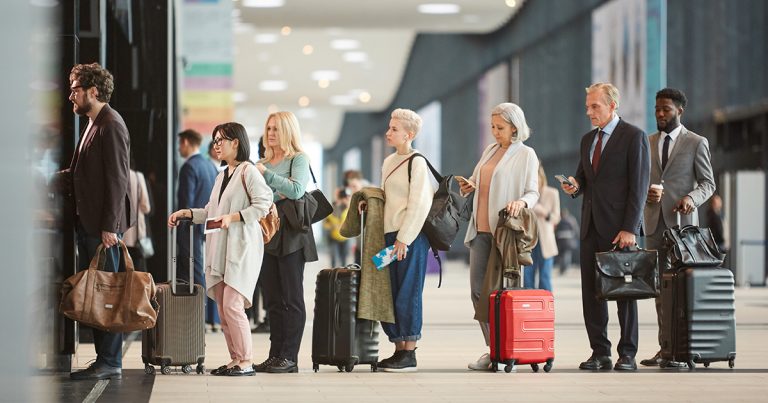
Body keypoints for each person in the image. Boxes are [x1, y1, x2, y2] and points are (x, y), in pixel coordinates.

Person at [168, 122, 273, 376]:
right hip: (222, 248)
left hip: (242, 247)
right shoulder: (221, 175)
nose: (215, 146)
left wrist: (234, 217)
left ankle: (246, 361)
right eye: (214, 141)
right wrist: (188, 213)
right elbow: (212, 212)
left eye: (220, 141)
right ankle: (235, 359)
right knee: (225, 308)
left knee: (233, 305)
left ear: (235, 142)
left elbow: (264, 202)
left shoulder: (248, 171)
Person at [561, 82, 650, 372]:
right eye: (587, 107)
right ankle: (600, 352)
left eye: (595, 106)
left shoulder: (633, 137)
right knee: (592, 293)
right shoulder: (587, 140)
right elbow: (584, 180)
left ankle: (628, 354)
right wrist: (573, 187)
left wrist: (629, 228)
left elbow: (638, 188)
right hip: (590, 227)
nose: (589, 112)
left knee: (624, 293)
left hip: (619, 230)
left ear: (612, 105)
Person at [56, 63, 134, 380]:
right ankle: (106, 358)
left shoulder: (110, 124)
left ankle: (111, 361)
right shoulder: (94, 122)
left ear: (93, 91)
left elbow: (117, 179)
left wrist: (109, 227)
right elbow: (80, 174)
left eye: (75, 88)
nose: (70, 95)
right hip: (91, 223)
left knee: (107, 293)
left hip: (102, 228)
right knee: (99, 292)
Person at [458, 102, 540, 371]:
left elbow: (533, 192)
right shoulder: (490, 150)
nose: (495, 132)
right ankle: (494, 349)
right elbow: (479, 179)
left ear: (515, 127)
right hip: (480, 230)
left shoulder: (526, 155)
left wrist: (521, 203)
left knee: (506, 293)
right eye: (492, 127)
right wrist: (469, 185)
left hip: (505, 233)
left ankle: (509, 350)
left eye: (500, 128)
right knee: (478, 293)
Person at [640, 88, 716, 367]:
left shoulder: (696, 142)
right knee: (660, 290)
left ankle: (684, 349)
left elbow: (708, 183)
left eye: (666, 109)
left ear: (679, 111)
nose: (660, 114)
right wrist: (646, 193)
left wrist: (690, 199)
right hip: (654, 225)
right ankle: (666, 348)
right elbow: (639, 181)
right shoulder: (646, 142)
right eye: (657, 109)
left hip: (683, 229)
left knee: (683, 290)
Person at [253, 111, 319, 374]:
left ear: (288, 132)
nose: (270, 133)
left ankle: (289, 356)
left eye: (276, 129)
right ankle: (275, 354)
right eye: (268, 128)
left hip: (291, 235)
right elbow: (260, 198)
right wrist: (273, 186)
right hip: (268, 234)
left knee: (291, 297)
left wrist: (268, 177)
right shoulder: (262, 161)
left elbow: (296, 190)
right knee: (272, 298)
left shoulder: (298, 158)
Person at [374, 108, 434, 372]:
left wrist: (404, 238)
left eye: (394, 129)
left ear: (409, 134)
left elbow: (419, 203)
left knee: (408, 293)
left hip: (409, 237)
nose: (389, 132)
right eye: (389, 127)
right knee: (391, 292)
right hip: (389, 236)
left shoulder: (417, 162)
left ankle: (409, 353)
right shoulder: (388, 162)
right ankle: (398, 348)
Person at [176, 129, 221, 332]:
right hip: (209, 229)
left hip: (192, 229)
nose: (179, 149)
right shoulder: (209, 167)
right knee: (208, 271)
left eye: (180, 144)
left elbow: (186, 202)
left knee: (193, 273)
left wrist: (182, 225)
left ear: (185, 142)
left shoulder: (189, 167)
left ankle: (197, 319)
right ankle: (212, 318)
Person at [525, 163, 560, 291]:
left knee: (545, 277)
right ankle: (530, 305)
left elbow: (556, 218)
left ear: (541, 177)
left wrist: (544, 212)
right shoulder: (525, 194)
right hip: (528, 241)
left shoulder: (552, 193)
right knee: (527, 276)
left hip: (546, 241)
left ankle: (546, 307)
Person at [123, 165, 151, 271]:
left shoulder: (117, 174)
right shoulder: (138, 176)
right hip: (136, 233)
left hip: (121, 233)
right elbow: (146, 207)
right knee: (138, 270)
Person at [323, 187, 350, 267]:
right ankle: (333, 276)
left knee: (344, 259)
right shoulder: (331, 208)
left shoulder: (347, 207)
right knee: (334, 259)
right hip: (333, 237)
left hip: (345, 237)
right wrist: (332, 225)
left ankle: (343, 276)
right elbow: (326, 224)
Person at [555, 208, 579, 275]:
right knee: (566, 255)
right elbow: (576, 230)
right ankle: (565, 268)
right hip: (568, 241)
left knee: (562, 255)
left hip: (560, 241)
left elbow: (555, 230)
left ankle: (562, 269)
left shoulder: (559, 220)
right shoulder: (571, 220)